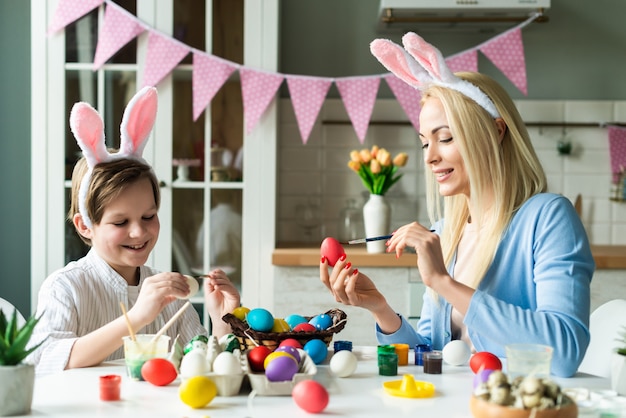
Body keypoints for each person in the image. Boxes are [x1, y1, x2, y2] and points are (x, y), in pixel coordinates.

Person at [319, 33, 595, 377]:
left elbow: (565, 352)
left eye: (445, 138)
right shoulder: (446, 234)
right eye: (424, 144)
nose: (431, 156)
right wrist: (380, 308)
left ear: (496, 131)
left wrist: (443, 281)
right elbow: (434, 354)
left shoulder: (548, 218)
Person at [29, 87, 240, 375]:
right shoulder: (65, 288)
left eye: (148, 216)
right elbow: (48, 361)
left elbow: (202, 366)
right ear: (85, 226)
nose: (139, 232)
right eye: (120, 222)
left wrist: (221, 320)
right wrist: (138, 316)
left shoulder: (165, 293)